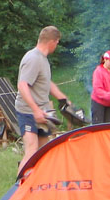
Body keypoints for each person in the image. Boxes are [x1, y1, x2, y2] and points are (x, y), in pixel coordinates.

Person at [14, 26, 72, 172]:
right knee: (32, 149)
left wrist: (62, 98)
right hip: (28, 111)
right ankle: (19, 188)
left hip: (42, 111)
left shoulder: (43, 59)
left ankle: (38, 184)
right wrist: (35, 110)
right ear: (53, 41)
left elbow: (46, 82)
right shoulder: (33, 58)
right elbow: (22, 85)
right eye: (57, 42)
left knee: (43, 151)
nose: (57, 45)